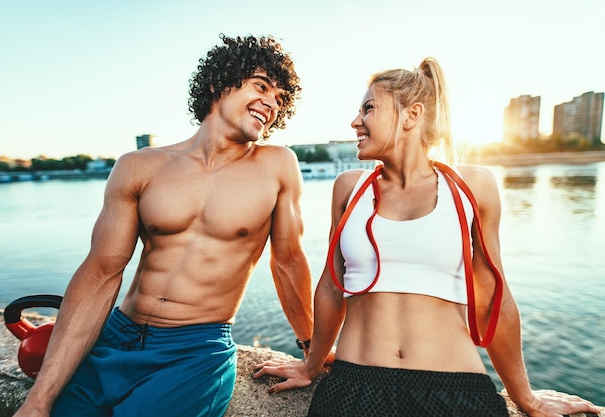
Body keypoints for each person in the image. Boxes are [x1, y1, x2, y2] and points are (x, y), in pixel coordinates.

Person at [254, 58, 603, 417]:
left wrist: (525, 397)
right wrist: (311, 365)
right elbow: (331, 285)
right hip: (353, 386)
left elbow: (493, 300)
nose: (355, 121)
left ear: (411, 115)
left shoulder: (473, 187)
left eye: (369, 108)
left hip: (455, 391)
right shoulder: (349, 188)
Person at [13, 34, 313, 417]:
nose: (272, 102)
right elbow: (102, 271)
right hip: (115, 336)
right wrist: (39, 398)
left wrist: (311, 352)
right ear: (218, 83)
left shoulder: (277, 166)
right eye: (262, 86)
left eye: (280, 98)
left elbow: (288, 261)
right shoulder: (139, 165)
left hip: (194, 351)